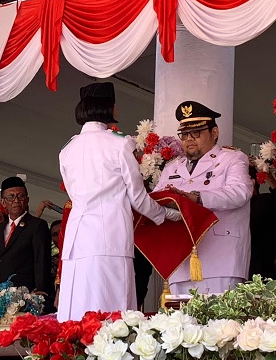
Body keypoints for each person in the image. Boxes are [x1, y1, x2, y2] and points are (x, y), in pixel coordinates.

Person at [58, 82, 178, 321]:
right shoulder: (120, 144)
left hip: (77, 239)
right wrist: (168, 214)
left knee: (78, 312)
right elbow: (138, 198)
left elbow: (73, 195)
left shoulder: (67, 149)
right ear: (107, 107)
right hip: (109, 236)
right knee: (113, 315)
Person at [154, 100, 252, 295]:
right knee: (180, 322)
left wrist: (197, 198)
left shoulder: (232, 158)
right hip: (180, 259)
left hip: (221, 257)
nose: (189, 139)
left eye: (196, 133)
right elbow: (155, 201)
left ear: (214, 133)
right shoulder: (172, 167)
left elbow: (240, 192)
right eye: (184, 134)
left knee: (220, 323)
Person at [0, 176, 53, 311]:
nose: (16, 200)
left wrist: (40, 291)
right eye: (11, 196)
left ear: (27, 200)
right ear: (3, 202)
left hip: (24, 298)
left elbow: (42, 260)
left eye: (20, 196)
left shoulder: (37, 225)